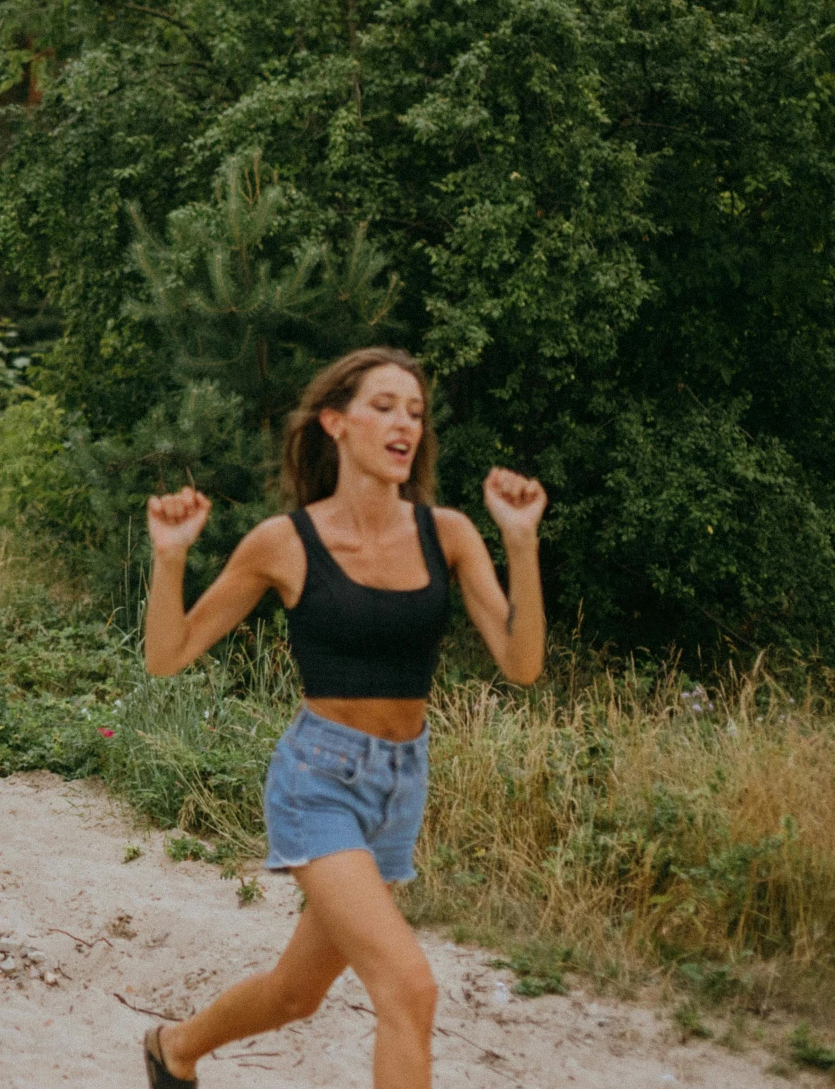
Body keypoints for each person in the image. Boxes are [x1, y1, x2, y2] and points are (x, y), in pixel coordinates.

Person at [136, 347, 547, 1089]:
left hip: (400, 784)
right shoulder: (286, 542)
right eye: (384, 406)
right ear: (336, 423)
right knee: (409, 988)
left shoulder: (447, 533)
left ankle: (174, 1047)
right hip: (318, 780)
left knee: (297, 992)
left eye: (415, 412)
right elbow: (169, 653)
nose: (404, 424)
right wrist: (169, 559)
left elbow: (520, 664)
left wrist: (521, 541)